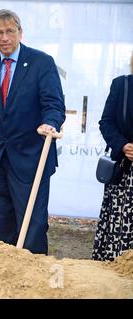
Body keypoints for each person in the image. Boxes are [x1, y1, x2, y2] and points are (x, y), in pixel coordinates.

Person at [0, 9, 65, 255]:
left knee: (32, 225)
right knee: (1, 223)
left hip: (32, 157)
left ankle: (33, 280)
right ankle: (5, 279)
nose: (5, 38)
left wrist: (50, 123)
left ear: (20, 33)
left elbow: (54, 104)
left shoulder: (41, 62)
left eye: (10, 31)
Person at [92, 52, 133, 261]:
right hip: (125, 174)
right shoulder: (122, 86)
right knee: (119, 228)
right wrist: (123, 145)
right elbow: (106, 122)